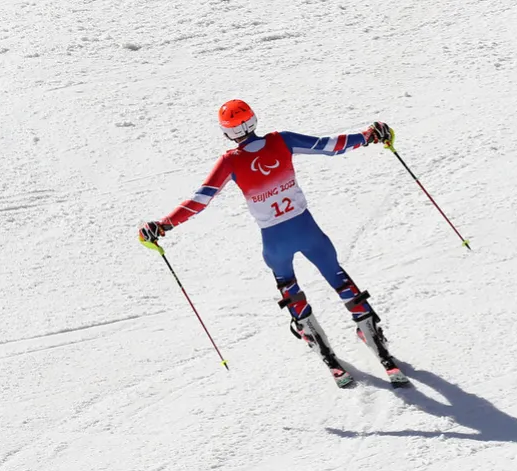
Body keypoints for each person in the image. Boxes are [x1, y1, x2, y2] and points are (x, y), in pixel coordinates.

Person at [139, 100, 409, 388]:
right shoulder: (282, 141)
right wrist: (369, 135)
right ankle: (378, 347)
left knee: (289, 288)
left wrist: (163, 225)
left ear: (227, 132)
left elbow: (200, 201)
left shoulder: (230, 161)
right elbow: (330, 145)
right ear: (254, 120)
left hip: (274, 241)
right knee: (339, 279)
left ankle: (328, 358)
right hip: (308, 230)